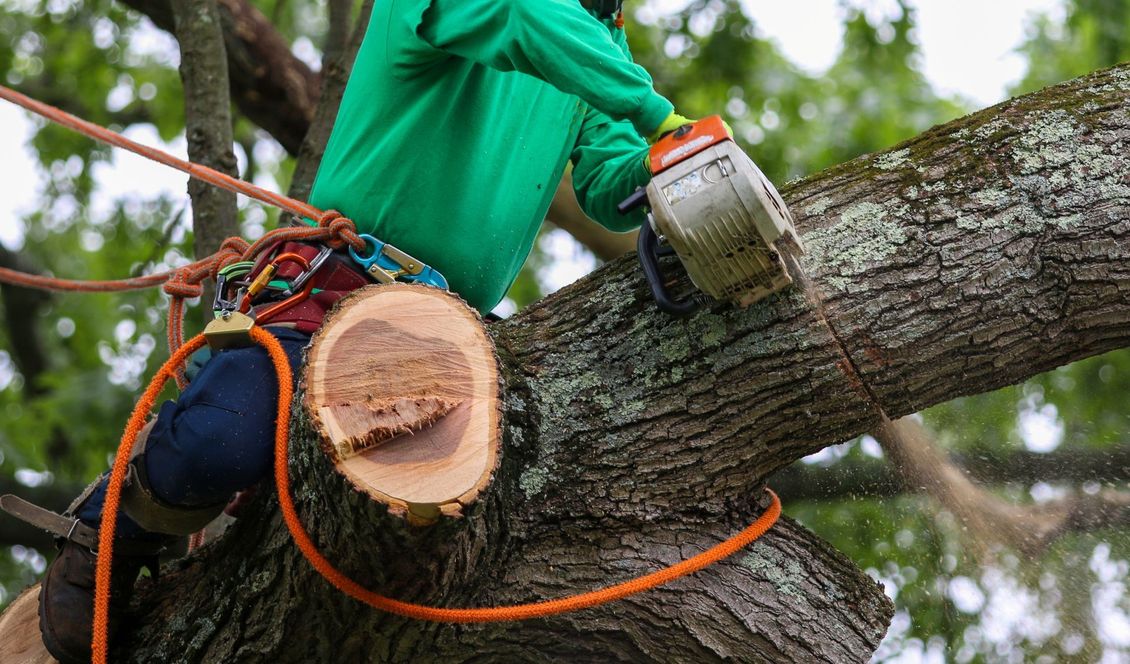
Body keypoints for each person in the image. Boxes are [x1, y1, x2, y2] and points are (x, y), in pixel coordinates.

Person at [21, 1, 708, 661]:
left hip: (450, 329)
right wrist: (661, 116)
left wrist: (672, 168)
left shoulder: (597, 42)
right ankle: (109, 532)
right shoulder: (519, 14)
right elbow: (522, 17)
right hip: (332, 288)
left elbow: (604, 179)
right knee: (218, 445)